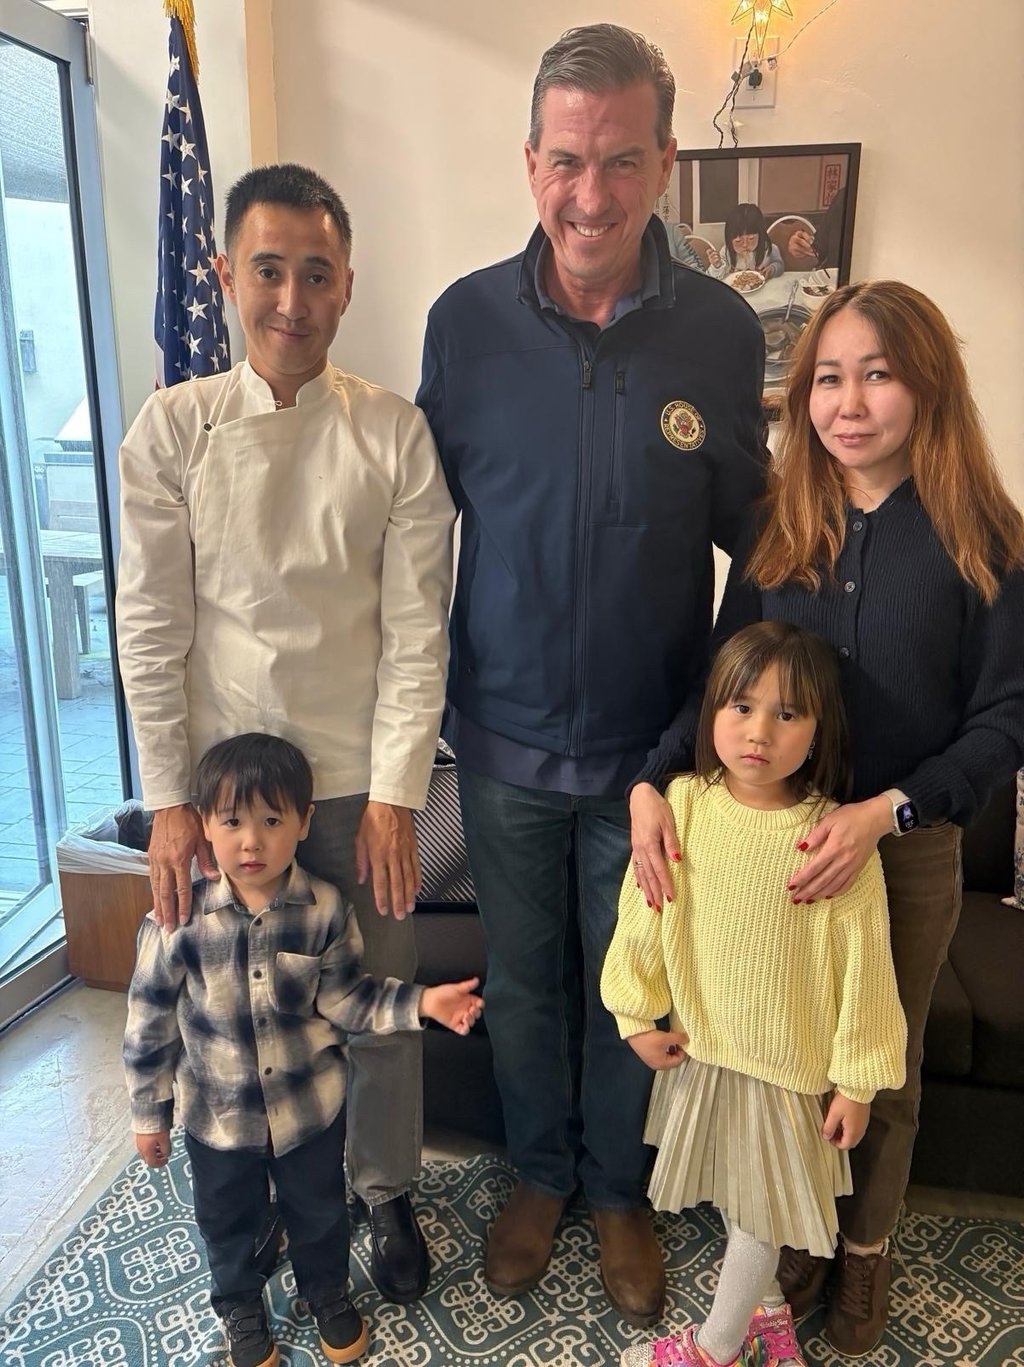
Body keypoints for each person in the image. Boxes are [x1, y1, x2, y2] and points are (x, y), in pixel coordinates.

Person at [416, 23, 767, 1325]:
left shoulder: (720, 331)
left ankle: (619, 1187)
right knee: (524, 980)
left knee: (638, 985)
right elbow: (413, 531)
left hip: (647, 756)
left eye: (622, 159)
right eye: (567, 159)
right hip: (500, 744)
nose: (592, 193)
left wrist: (715, 724)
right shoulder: (462, 324)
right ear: (529, 162)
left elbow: (758, 541)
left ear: (665, 162)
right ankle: (541, 1172)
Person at [627, 280, 1024, 1354]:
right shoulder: (778, 523)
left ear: (927, 385)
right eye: (829, 378)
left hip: (906, 849)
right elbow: (723, 677)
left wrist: (884, 812)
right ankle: (793, 1236)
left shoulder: (986, 536)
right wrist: (653, 778)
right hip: (773, 849)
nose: (849, 403)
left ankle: (863, 1250)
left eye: (878, 375)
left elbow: (1005, 718)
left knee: (878, 1068)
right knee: (785, 1061)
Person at [115, 163, 455, 1305]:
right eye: (268, 271)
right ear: (225, 275)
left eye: (317, 274)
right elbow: (151, 624)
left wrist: (400, 793)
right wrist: (170, 801)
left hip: (356, 777)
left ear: (347, 283)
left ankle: (385, 1186)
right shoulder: (172, 428)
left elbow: (416, 631)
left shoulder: (393, 432)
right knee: (234, 1003)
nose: (292, 301)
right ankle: (258, 1190)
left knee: (377, 1001)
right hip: (225, 792)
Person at [123, 733, 483, 1367]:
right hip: (218, 1121)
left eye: (271, 821)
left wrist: (424, 1002)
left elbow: (349, 998)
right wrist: (149, 1112)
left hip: (310, 1115)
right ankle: (239, 1305)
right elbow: (149, 1022)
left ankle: (326, 1293)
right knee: (226, 1222)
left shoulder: (325, 909)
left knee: (320, 1214)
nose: (251, 842)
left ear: (305, 822)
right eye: (232, 822)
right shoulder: (176, 920)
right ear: (203, 823)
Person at [603, 621, 907, 1367]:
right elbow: (644, 912)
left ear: (819, 727)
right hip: (708, 1051)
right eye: (741, 706)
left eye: (787, 713)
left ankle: (713, 1349)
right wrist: (634, 1013)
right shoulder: (685, 804)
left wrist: (858, 1080)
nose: (759, 731)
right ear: (712, 710)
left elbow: (866, 969)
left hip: (788, 1072)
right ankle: (768, 1318)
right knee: (739, 1198)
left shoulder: (834, 838)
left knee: (758, 1218)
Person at [707, 202, 784, 280]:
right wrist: (717, 266)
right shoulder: (726, 252)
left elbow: (779, 265)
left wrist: (773, 269)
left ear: (760, 235)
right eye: (738, 241)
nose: (745, 245)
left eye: (751, 238)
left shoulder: (768, 248)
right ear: (729, 239)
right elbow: (712, 278)